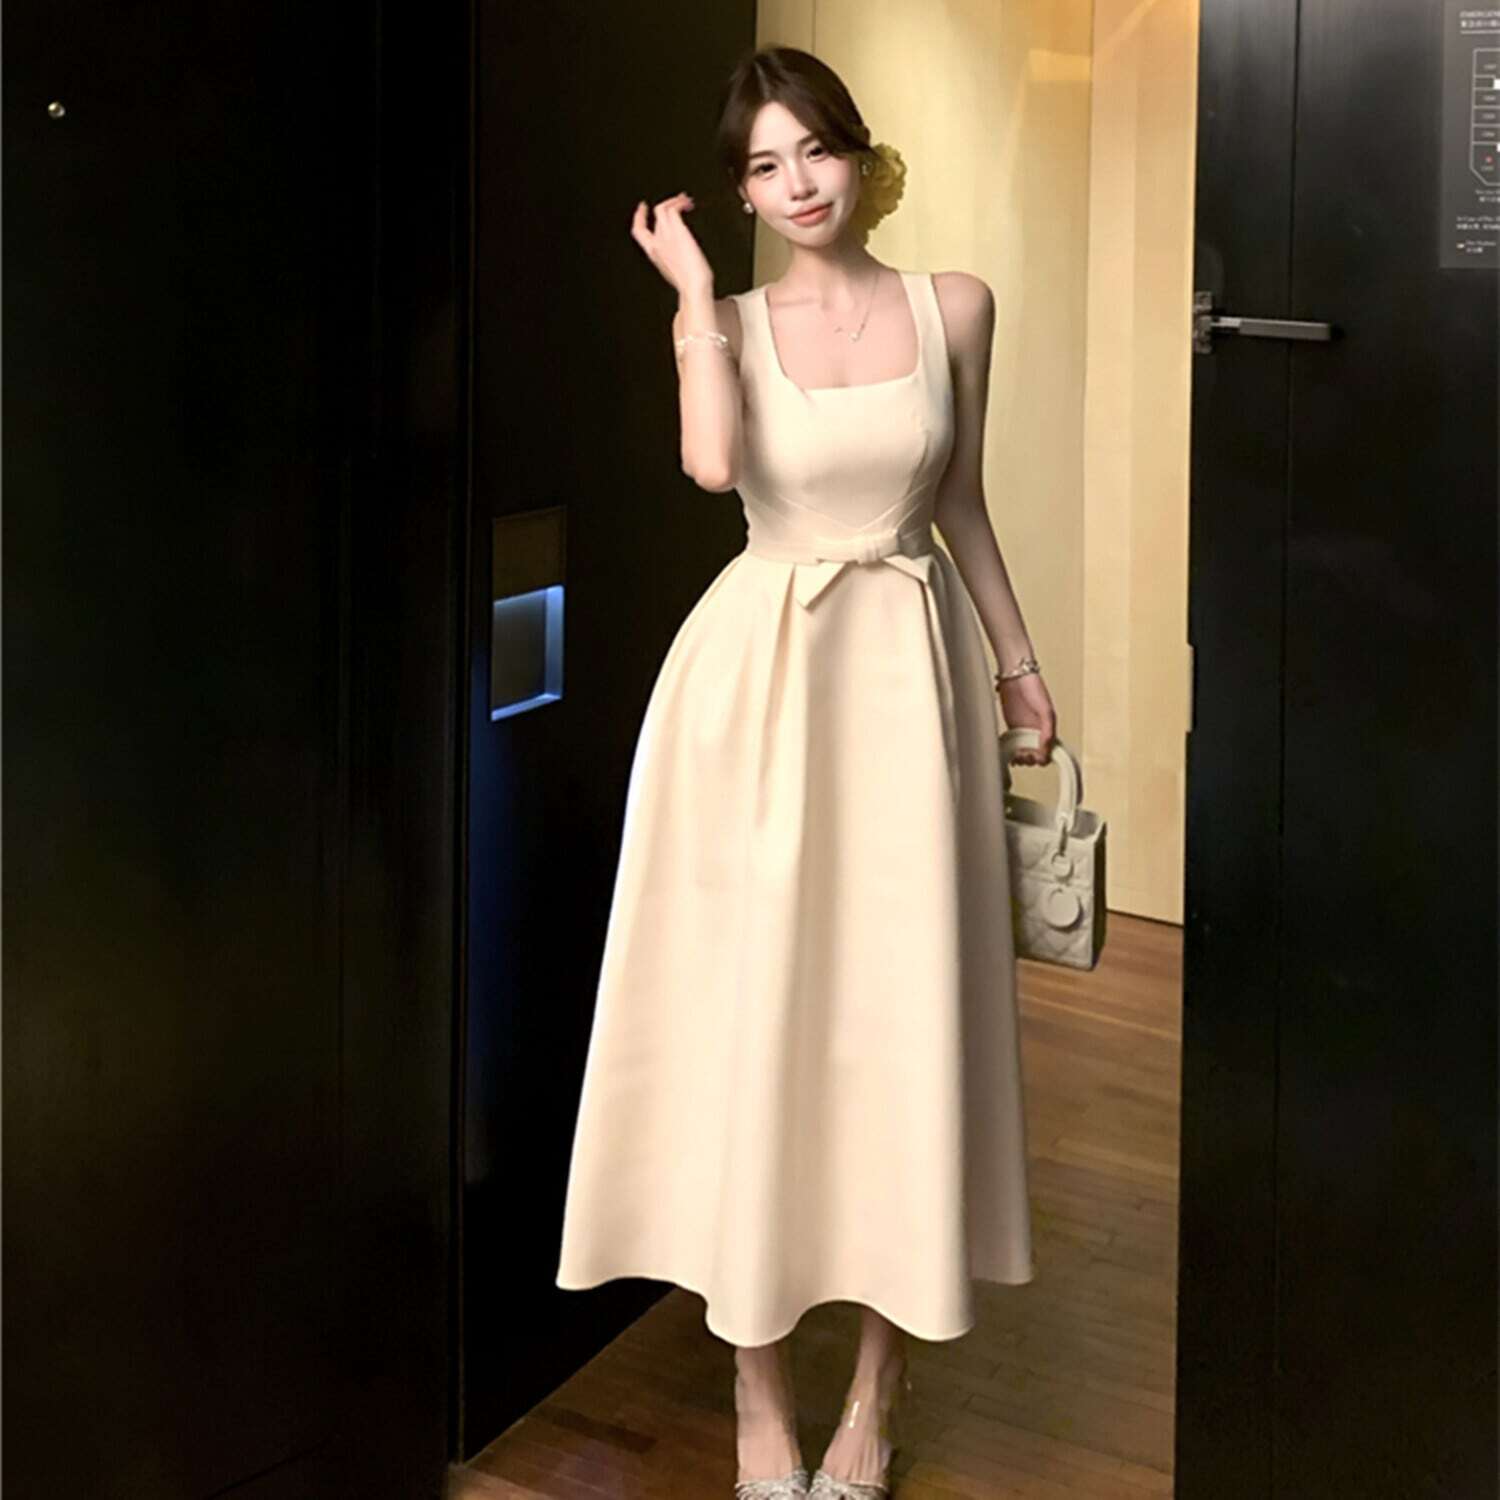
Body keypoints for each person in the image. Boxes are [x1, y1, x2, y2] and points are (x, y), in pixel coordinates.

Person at [555, 44, 1057, 1500]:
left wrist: (1019, 666)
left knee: (912, 1017)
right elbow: (714, 471)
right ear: (743, 194)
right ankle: (757, 1378)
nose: (798, 184)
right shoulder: (726, 321)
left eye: (816, 151)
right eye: (765, 167)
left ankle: (879, 1389)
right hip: (759, 687)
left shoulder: (955, 304)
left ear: (860, 155)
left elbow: (960, 500)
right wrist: (693, 299)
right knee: (758, 1018)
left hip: (910, 674)